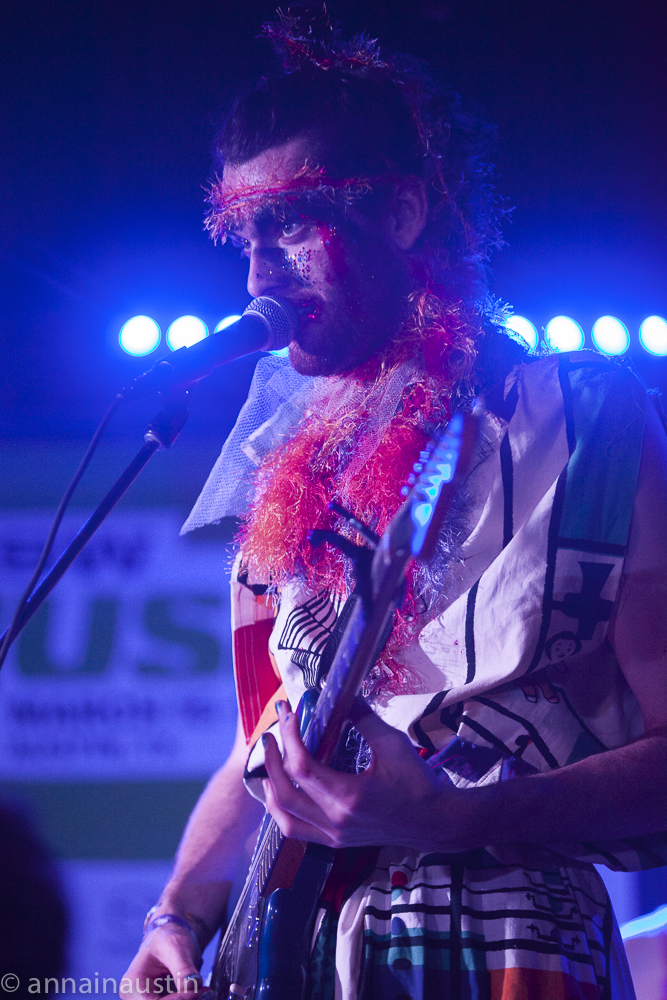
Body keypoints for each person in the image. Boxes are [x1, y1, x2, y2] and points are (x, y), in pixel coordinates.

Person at [123, 8, 667, 998]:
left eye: (289, 222)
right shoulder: (286, 461)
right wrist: (177, 915)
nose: (254, 273)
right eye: (242, 234)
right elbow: (264, 751)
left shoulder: (590, 423)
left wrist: (454, 820)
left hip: (513, 949)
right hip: (293, 962)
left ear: (402, 215)